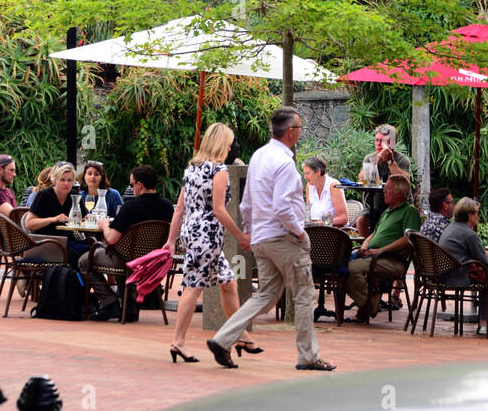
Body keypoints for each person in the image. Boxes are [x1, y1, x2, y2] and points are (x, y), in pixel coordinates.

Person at [204, 110, 335, 371]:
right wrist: (299, 232)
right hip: (284, 238)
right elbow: (283, 207)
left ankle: (223, 338)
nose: (300, 131)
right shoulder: (284, 163)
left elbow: (247, 203)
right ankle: (308, 356)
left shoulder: (259, 156)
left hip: (262, 238)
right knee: (303, 295)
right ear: (291, 132)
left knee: (264, 295)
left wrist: (252, 232)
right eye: (299, 127)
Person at [166, 125, 260, 362]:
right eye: (228, 143)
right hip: (208, 235)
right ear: (220, 144)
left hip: (193, 232)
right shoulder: (219, 170)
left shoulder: (191, 169)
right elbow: (219, 210)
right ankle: (178, 341)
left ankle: (240, 334)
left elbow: (179, 209)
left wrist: (171, 239)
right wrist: (240, 235)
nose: (230, 148)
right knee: (193, 287)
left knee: (228, 283)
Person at [80, 165, 175, 320]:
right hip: (152, 261)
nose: (131, 188)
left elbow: (111, 238)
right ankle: (129, 306)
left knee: (84, 260)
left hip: (128, 261)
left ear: (140, 185)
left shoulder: (131, 206)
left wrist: (104, 225)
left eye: (132, 184)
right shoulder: (167, 206)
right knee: (121, 252)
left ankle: (110, 304)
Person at [345, 172, 420, 324]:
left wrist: (378, 251)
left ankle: (368, 304)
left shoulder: (409, 211)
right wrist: (365, 247)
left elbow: (408, 239)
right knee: (338, 267)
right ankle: (370, 299)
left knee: (349, 269)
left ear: (399, 193)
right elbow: (373, 234)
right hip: (373, 256)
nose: (384, 191)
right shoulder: (387, 211)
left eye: (388, 188)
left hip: (391, 259)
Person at [438, 197, 488, 338]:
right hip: (456, 276)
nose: (478, 215)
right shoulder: (469, 234)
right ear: (469, 215)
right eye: (477, 212)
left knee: (486, 275)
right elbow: (485, 261)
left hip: (445, 273)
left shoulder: (451, 227)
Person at [355, 123, 412, 237]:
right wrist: (375, 161)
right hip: (375, 206)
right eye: (376, 140)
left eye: (383, 141)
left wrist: (390, 162)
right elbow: (362, 180)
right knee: (361, 221)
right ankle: (367, 248)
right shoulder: (370, 157)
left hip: (398, 206)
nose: (378, 144)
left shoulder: (402, 160)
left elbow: (404, 182)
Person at [24, 162, 87, 264]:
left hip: (69, 241)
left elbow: (83, 218)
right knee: (74, 256)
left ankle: (84, 280)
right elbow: (29, 224)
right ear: (55, 180)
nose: (66, 183)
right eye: (62, 180)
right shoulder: (44, 195)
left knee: (89, 253)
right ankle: (70, 278)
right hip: (47, 242)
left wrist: (88, 217)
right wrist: (53, 219)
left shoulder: (75, 196)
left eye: (69, 180)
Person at [302, 156, 347, 226]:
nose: (305, 177)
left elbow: (343, 218)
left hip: (333, 231)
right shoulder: (309, 186)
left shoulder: (333, 185)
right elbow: (308, 215)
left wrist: (320, 223)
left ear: (318, 172)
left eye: (307, 173)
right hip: (314, 230)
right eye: (304, 173)